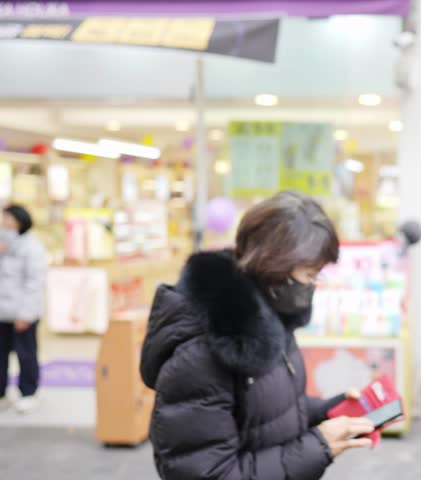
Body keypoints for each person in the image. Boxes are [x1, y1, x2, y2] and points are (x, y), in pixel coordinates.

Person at [141, 191, 375, 480]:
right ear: (276, 266)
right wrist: (318, 445)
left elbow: (270, 411)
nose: (314, 285)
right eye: (310, 275)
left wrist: (330, 412)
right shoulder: (203, 353)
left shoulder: (270, 315)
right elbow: (210, 473)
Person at [0, 204, 48, 414]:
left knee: (25, 353)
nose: (4, 222)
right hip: (2, 312)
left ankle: (28, 392)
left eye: (8, 218)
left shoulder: (32, 247)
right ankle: (2, 393)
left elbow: (34, 283)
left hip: (22, 313)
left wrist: (26, 314)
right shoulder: (3, 245)